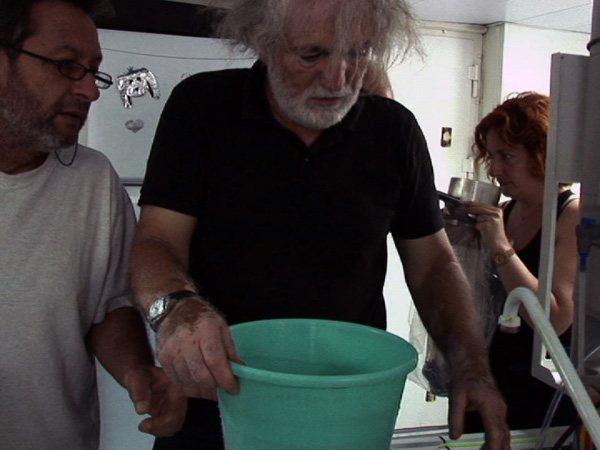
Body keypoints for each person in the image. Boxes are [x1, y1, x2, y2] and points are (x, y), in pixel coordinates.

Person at [130, 0, 511, 449]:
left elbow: (432, 266)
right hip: (215, 401)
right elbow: (156, 240)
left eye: (357, 53)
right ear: (264, 43)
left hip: (345, 404)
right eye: (311, 55)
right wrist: (176, 308)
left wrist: (471, 365)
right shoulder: (204, 107)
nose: (339, 79)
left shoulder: (394, 131)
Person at [0, 0, 189, 448]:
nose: (90, 91)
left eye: (93, 71)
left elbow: (107, 306)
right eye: (67, 66)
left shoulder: (92, 179)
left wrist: (136, 370)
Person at [462, 92, 580, 431]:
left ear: (542, 154)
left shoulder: (571, 216)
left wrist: (499, 246)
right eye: (492, 156)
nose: (495, 169)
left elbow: (556, 318)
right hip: (493, 374)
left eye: (507, 156)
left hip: (540, 387)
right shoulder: (506, 211)